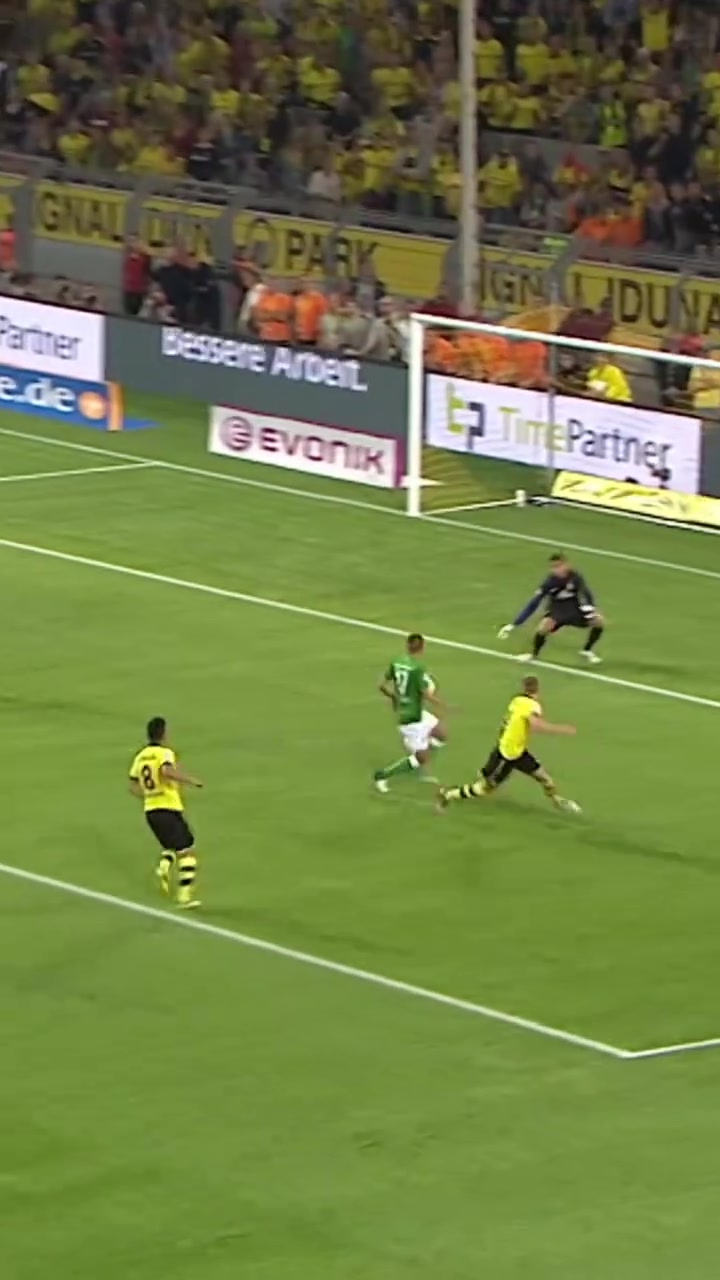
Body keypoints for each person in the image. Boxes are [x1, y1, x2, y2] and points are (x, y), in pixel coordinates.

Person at [437, 675, 580, 813]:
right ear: (538, 689)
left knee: (545, 778)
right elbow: (535, 726)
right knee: (483, 789)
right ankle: (448, 794)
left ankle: (558, 802)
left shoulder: (517, 700)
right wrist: (562, 729)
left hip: (517, 750)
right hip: (507, 755)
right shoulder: (533, 706)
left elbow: (509, 721)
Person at [128, 716, 203, 909]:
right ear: (163, 733)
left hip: (151, 811)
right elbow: (167, 771)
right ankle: (184, 897)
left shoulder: (140, 756)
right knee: (187, 850)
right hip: (169, 807)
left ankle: (164, 866)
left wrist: (150, 795)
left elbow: (133, 786)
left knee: (172, 846)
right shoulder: (164, 753)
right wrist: (191, 780)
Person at [497, 553, 605, 664]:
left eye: (559, 566)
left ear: (566, 565)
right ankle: (534, 654)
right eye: (553, 567)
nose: (556, 570)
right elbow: (534, 603)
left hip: (574, 609)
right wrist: (516, 623)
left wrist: (591, 608)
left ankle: (586, 651)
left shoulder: (575, 577)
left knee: (599, 621)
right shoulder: (549, 583)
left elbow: (586, 592)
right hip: (557, 610)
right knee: (543, 628)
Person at [373, 633, 446, 792]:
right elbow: (425, 694)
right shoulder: (417, 668)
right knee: (421, 758)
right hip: (411, 720)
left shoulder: (397, 662)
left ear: (407, 645)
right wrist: (444, 706)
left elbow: (381, 685)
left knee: (440, 733)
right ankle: (383, 775)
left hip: (412, 712)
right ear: (422, 648)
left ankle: (420, 751)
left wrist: (394, 697)